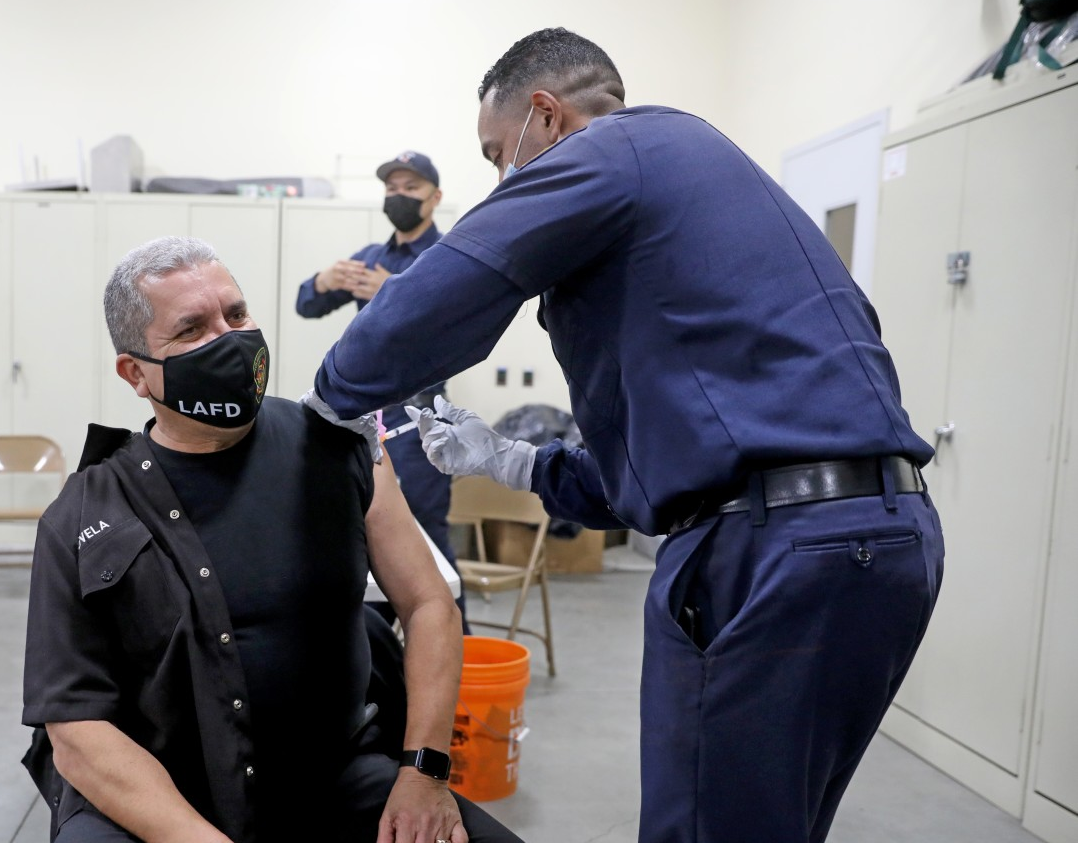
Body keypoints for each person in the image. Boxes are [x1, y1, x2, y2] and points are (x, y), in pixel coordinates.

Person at [304, 28, 944, 843]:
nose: (503, 177)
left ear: (546, 115)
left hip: (774, 549)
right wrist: (518, 461)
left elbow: (458, 287)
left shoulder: (616, 147)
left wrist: (326, 405)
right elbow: (663, 470)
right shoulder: (694, 183)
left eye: (501, 153)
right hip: (880, 538)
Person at [22, 236, 522, 843]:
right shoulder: (82, 514)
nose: (228, 338)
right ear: (135, 372)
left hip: (332, 775)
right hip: (159, 795)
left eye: (235, 315)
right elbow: (75, 732)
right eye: (192, 330)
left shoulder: (342, 447)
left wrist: (423, 772)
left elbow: (427, 603)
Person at [297, 151, 462, 615]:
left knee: (430, 544)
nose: (399, 196)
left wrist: (397, 291)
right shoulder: (369, 259)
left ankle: (457, 663)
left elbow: (455, 327)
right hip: (362, 422)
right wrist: (323, 280)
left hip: (418, 423)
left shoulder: (448, 256)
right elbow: (305, 304)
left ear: (435, 197)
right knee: (364, 536)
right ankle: (379, 654)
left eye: (411, 188)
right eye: (392, 188)